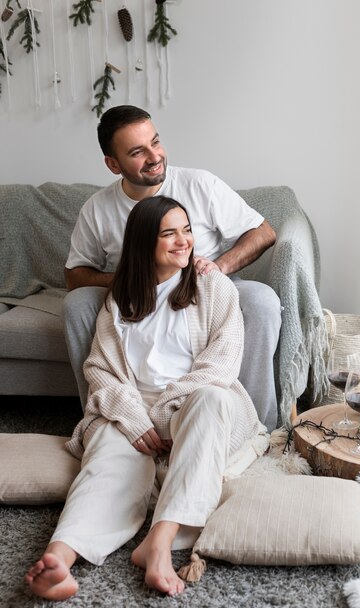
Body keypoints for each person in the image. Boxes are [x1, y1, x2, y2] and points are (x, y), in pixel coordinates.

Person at [25, 196, 265, 599]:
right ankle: (59, 559)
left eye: (187, 230)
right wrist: (134, 418)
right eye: (169, 233)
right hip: (134, 409)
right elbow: (100, 369)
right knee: (107, 457)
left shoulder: (213, 286)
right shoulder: (121, 299)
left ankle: (159, 543)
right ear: (143, 242)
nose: (183, 241)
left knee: (212, 400)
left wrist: (165, 412)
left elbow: (222, 365)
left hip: (194, 402)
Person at [63, 105, 282, 432]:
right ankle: (106, 419)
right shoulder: (97, 210)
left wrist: (218, 267)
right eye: (138, 152)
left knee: (262, 301)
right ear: (113, 164)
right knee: (76, 304)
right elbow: (75, 275)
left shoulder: (200, 184)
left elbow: (264, 232)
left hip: (205, 291)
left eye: (156, 142)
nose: (155, 156)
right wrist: (134, 280)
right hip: (137, 299)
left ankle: (260, 427)